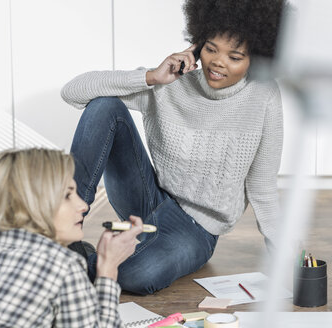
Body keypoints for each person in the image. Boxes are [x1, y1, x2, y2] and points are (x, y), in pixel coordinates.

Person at [61, 0, 285, 295]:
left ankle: (74, 264)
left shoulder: (264, 97)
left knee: (136, 277)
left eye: (234, 56)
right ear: (197, 44)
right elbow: (72, 92)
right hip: (148, 198)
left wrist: (288, 259)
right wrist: (152, 77)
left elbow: (263, 188)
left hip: (196, 229)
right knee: (105, 105)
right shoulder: (173, 80)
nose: (218, 62)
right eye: (211, 49)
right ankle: (61, 233)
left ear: (256, 58)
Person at [0, 148, 143, 327]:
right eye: (68, 195)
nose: (83, 206)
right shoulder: (61, 264)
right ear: (32, 202)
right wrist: (108, 268)